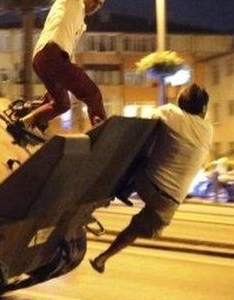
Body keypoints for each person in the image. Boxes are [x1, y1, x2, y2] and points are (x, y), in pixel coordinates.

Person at [89, 84, 213, 273]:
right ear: (204, 109)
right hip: (169, 203)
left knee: (144, 151)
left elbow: (138, 128)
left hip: (146, 183)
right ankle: (102, 258)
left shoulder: (170, 113)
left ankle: (117, 190)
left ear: (180, 102)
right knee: (134, 230)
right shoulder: (208, 130)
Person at [19, 0, 111, 130]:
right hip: (51, 56)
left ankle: (26, 121)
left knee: (62, 104)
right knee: (93, 94)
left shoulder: (79, 23)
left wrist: (66, 77)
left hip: (45, 61)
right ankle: (103, 132)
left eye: (99, 4)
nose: (94, 5)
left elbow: (68, 60)